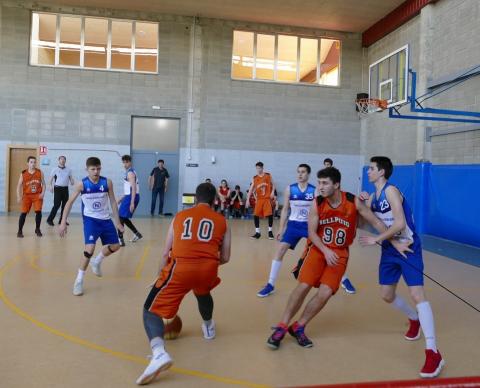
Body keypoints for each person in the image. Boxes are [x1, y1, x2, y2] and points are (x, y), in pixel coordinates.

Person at [266, 167, 409, 350]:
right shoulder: (317, 203)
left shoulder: (352, 202)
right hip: (318, 249)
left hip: (340, 252)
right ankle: (282, 326)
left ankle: (299, 326)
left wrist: (395, 242)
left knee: (325, 293)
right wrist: (325, 250)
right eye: (319, 183)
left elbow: (375, 222)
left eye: (325, 183)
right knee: (304, 285)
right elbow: (311, 232)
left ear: (336, 184)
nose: (320, 187)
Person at [136, 183, 231, 385]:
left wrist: (158, 277)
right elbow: (226, 257)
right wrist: (207, 261)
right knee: (203, 291)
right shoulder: (222, 220)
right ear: (214, 200)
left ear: (195, 199)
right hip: (208, 269)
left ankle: (159, 353)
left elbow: (165, 252)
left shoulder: (179, 216)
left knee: (150, 310)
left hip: (180, 268)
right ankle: (208, 327)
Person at [359, 156, 444, 378]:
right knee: (386, 295)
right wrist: (364, 203)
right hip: (390, 248)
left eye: (372, 168)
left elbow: (400, 223)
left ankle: (433, 353)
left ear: (382, 172)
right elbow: (367, 222)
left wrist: (375, 240)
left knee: (418, 295)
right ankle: (413, 319)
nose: (368, 171)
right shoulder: (374, 196)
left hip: (408, 247)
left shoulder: (391, 191)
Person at [58, 157, 124, 296]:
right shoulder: (82, 184)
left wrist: (117, 222)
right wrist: (63, 221)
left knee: (116, 246)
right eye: (93, 169)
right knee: (90, 248)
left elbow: (112, 201)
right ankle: (79, 280)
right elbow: (69, 203)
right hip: (90, 220)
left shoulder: (107, 182)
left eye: (98, 168)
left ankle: (97, 261)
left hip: (105, 219)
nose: (96, 171)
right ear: (87, 170)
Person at [257, 164, 315, 297]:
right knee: (280, 250)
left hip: (309, 225)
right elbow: (285, 210)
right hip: (293, 225)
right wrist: (281, 229)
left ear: (308, 174)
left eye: (303, 172)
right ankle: (270, 284)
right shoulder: (290, 189)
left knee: (324, 249)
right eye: (298, 172)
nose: (300, 174)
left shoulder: (314, 191)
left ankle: (343, 279)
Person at [323, 157, 356, 294]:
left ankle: (343, 278)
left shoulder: (335, 183)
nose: (326, 167)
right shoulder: (321, 184)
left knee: (337, 250)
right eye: (325, 165)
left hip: (337, 220)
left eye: (328, 165)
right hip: (324, 220)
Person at [245, 162, 276, 239]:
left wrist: (272, 192)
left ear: (262, 168)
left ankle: (270, 232)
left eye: (259, 168)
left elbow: (274, 184)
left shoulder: (268, 175)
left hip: (266, 199)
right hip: (259, 199)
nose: (258, 170)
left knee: (269, 214)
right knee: (255, 215)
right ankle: (257, 233)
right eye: (257, 168)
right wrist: (247, 200)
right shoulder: (255, 178)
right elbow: (251, 189)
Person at [16, 156, 45, 238]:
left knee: (38, 211)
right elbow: (18, 186)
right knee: (23, 213)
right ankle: (20, 230)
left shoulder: (39, 172)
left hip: (37, 195)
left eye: (34, 162)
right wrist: (18, 196)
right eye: (31, 162)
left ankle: (37, 229)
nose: (33, 164)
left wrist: (43, 192)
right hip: (27, 195)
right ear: (28, 163)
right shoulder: (23, 173)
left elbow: (44, 184)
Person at [117, 155, 142, 246]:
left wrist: (132, 202)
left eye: (126, 162)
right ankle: (137, 234)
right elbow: (129, 188)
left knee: (120, 217)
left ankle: (120, 239)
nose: (125, 164)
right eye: (123, 162)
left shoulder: (130, 173)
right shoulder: (130, 171)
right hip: (129, 196)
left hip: (132, 197)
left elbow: (133, 188)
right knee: (123, 217)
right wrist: (122, 198)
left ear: (130, 162)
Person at [46, 155, 74, 226]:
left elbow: (71, 179)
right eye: (61, 159)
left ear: (65, 161)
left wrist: (72, 182)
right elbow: (50, 180)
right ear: (59, 160)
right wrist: (50, 186)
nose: (62, 160)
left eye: (64, 159)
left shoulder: (69, 170)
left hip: (65, 189)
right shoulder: (54, 169)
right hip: (57, 188)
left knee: (65, 205)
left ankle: (62, 220)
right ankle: (49, 220)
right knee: (56, 205)